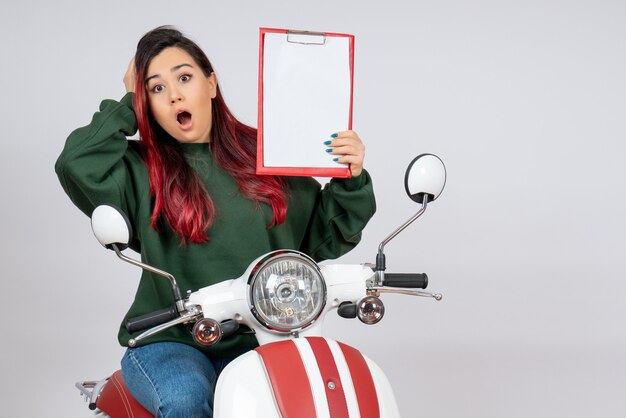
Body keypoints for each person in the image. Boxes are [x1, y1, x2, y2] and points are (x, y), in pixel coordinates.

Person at [55, 26, 375, 418]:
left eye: (184, 77)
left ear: (211, 83)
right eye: (155, 89)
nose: (174, 94)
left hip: (264, 335)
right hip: (173, 341)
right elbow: (75, 163)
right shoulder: (140, 170)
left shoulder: (269, 154)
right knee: (186, 402)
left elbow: (324, 237)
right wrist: (128, 102)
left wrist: (351, 174)